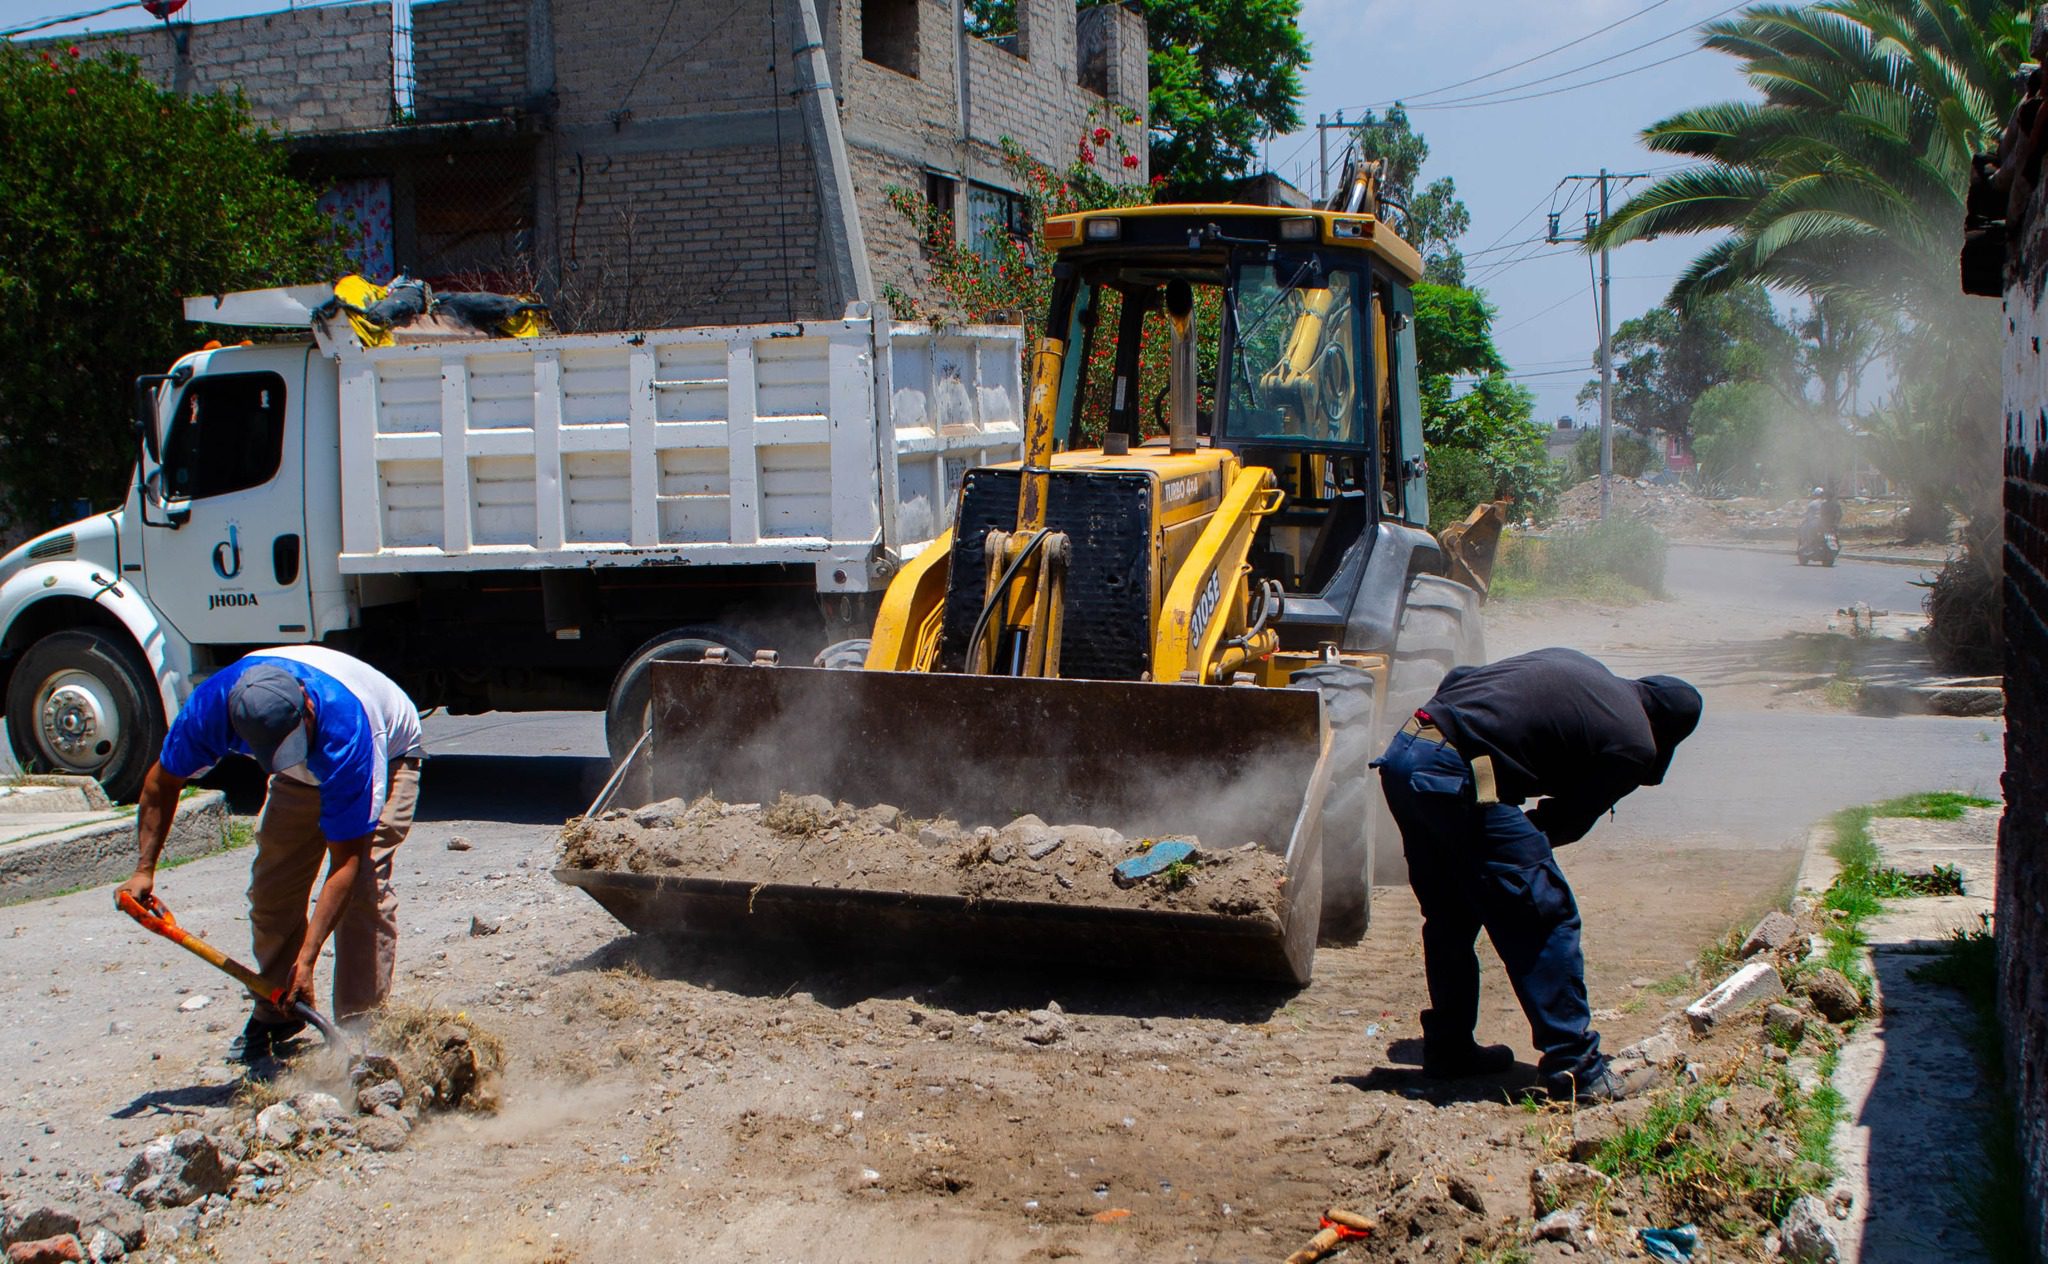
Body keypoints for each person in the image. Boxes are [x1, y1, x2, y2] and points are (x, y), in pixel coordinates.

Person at [1373, 647, 1702, 1102]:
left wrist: (1495, 824)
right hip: (1451, 775)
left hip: (1407, 755)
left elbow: (1462, 677)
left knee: (1452, 915)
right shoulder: (1635, 741)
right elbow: (1564, 821)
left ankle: (1450, 1050)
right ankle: (1577, 1070)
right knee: (1544, 913)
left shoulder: (1587, 672)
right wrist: (1518, 848)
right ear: (1666, 733)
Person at [118, 646, 423, 1064]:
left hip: (386, 757)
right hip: (300, 775)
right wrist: (143, 870)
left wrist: (308, 957)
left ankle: (358, 1033)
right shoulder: (213, 706)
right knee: (273, 890)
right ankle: (281, 1008)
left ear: (307, 708)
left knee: (364, 894)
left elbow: (346, 863)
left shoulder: (348, 729)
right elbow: (161, 782)